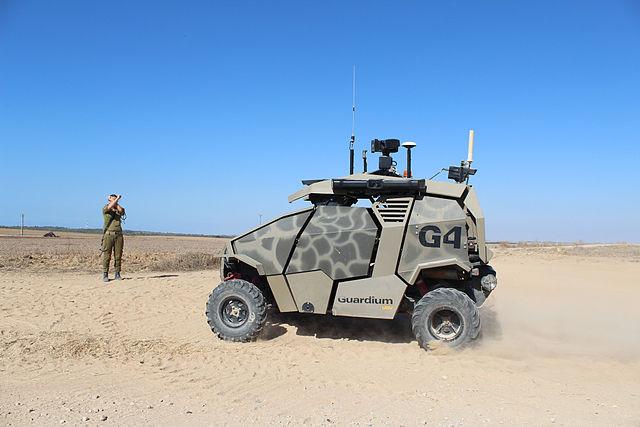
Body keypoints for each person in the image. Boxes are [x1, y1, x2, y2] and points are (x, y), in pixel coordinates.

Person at [102, 194, 125, 282]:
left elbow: (121, 211)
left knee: (118, 255)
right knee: (107, 255)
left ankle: (117, 273)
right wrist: (115, 199)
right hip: (108, 235)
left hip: (118, 235)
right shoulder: (105, 208)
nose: (115, 200)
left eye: (116, 199)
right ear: (109, 200)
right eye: (113, 199)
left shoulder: (118, 208)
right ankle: (105, 274)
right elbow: (109, 207)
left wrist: (116, 202)